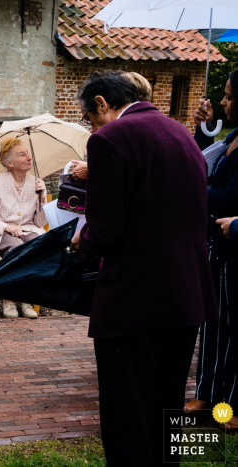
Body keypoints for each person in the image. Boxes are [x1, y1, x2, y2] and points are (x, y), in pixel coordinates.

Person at [70, 70, 217, 466]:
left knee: (127, 409)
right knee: (168, 401)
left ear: (102, 103)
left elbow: (106, 229)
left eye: (89, 116)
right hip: (186, 294)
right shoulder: (180, 133)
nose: (92, 125)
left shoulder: (109, 139)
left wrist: (80, 240)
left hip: (134, 297)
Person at [185, 70, 238, 430]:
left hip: (235, 247)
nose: (222, 101)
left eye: (230, 96)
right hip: (217, 248)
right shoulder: (232, 136)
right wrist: (202, 129)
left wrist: (191, 194)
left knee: (235, 327)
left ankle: (232, 403)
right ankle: (206, 393)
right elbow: (201, 165)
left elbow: (230, 195)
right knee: (213, 323)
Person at [0, 137, 47, 319]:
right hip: (0, 234)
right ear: (9, 163)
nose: (28, 158)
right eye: (22, 155)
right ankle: (9, 297)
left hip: (28, 229)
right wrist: (6, 227)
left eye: (28, 154)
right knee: (16, 247)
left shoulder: (35, 183)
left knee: (36, 245)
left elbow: (39, 222)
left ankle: (25, 298)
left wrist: (42, 197)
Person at [70, 71, 153, 180]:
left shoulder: (109, 138)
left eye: (89, 119)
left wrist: (94, 169)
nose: (92, 130)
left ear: (101, 104)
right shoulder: (175, 129)